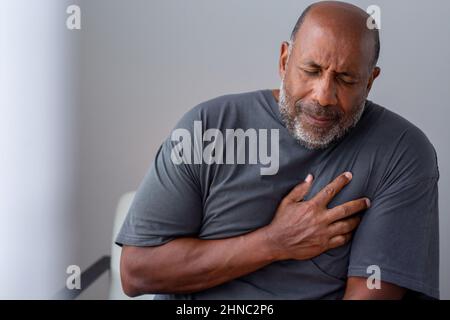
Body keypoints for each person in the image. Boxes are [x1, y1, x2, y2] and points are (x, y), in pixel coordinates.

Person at [116, 1, 439, 299]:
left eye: (346, 78)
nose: (324, 95)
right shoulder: (208, 126)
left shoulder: (401, 151)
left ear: (369, 82)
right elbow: (137, 273)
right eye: (311, 71)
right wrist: (274, 242)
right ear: (284, 61)